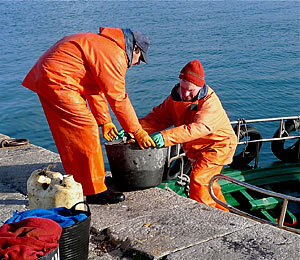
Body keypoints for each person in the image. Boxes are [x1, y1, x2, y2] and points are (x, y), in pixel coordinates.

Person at [22, 27, 155, 204]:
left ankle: (86, 181)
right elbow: (118, 98)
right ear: (135, 49)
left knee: (71, 136)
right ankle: (94, 191)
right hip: (58, 81)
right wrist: (137, 131)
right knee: (86, 130)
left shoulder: (101, 44)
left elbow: (95, 88)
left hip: (47, 77)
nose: (138, 63)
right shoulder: (114, 54)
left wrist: (105, 121)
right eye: (140, 58)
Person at [139, 59, 237, 211]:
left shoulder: (210, 102)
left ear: (200, 87)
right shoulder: (175, 98)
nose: (185, 93)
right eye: (183, 87)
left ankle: (206, 217)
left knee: (199, 180)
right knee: (210, 183)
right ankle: (223, 212)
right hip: (196, 148)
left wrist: (164, 138)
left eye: (190, 90)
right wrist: (134, 130)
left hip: (218, 145)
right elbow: (157, 118)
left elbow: (198, 128)